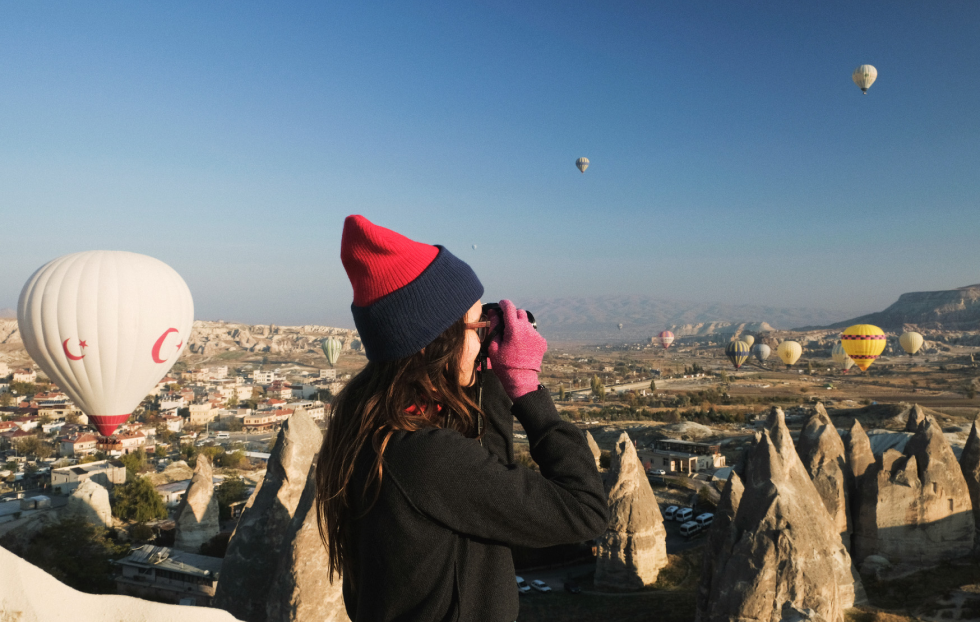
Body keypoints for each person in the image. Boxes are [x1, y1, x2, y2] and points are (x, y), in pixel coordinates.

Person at [315, 215, 609, 622]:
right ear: (437, 343)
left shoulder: (370, 429)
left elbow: (488, 467)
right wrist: (526, 390)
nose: (484, 333)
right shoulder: (426, 458)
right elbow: (586, 509)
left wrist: (485, 370)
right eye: (476, 326)